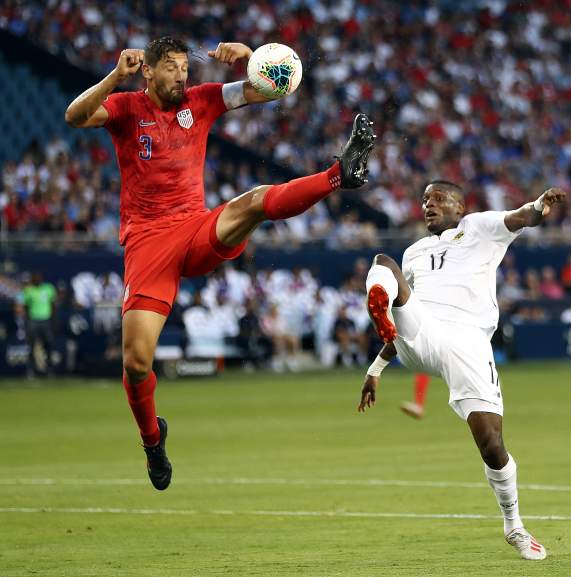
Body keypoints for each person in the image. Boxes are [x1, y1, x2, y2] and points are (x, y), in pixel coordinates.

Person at [65, 37, 376, 490]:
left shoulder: (203, 100)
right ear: (147, 71)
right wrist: (115, 75)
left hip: (195, 228)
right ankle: (153, 440)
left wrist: (252, 60)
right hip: (149, 244)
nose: (181, 75)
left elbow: (269, 90)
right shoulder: (126, 106)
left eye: (183, 67)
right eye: (170, 68)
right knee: (135, 362)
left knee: (250, 204)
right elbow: (74, 116)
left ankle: (338, 174)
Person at [358, 180, 566, 561]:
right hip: (423, 334)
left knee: (491, 444)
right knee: (383, 264)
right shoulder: (414, 252)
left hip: (468, 341)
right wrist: (377, 367)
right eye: (424, 200)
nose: (428, 205)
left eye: (438, 199)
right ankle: (381, 310)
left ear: (459, 206)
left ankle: (513, 525)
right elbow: (412, 308)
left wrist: (539, 203)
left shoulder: (478, 227)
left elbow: (521, 217)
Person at [21, 273, 58, 377]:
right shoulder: (29, 290)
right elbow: (26, 306)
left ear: (41, 279)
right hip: (33, 320)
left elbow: (53, 305)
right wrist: (27, 321)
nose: (36, 280)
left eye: (38, 278)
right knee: (32, 345)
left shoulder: (48, 288)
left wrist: (53, 320)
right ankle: (31, 370)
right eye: (34, 278)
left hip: (46, 320)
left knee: (49, 345)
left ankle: (49, 369)